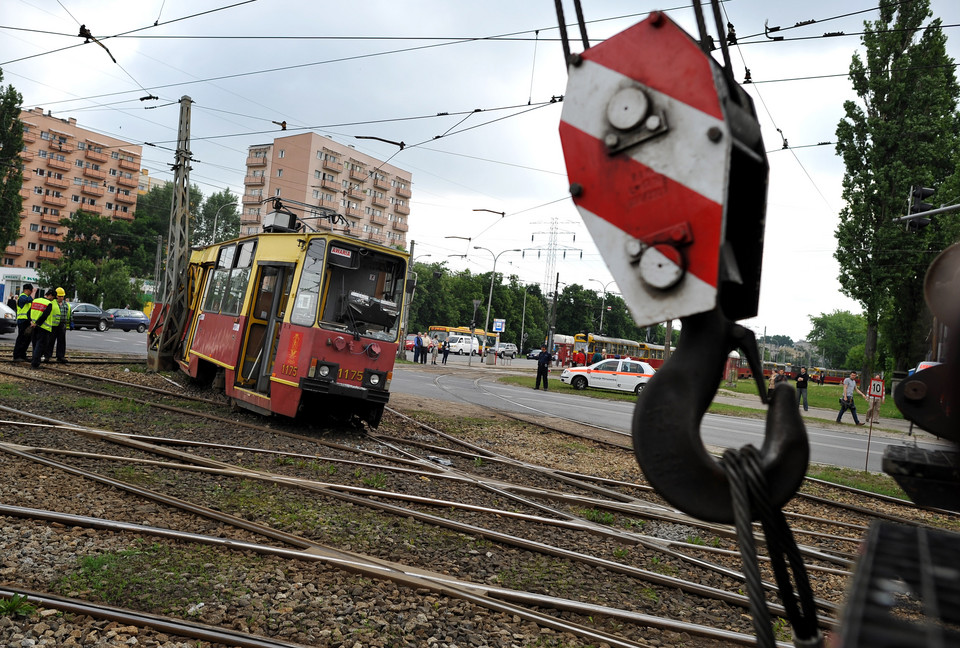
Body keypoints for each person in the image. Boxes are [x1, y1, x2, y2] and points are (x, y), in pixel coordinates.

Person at [28, 288, 60, 369]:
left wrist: (31, 321)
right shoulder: (49, 303)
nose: (53, 300)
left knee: (35, 345)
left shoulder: (35, 300)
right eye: (53, 298)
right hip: (43, 327)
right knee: (40, 346)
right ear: (51, 295)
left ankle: (34, 361)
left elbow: (28, 313)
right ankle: (35, 364)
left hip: (33, 326)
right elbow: (45, 315)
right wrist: (37, 323)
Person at [12, 283, 34, 362]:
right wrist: (34, 293)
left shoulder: (26, 297)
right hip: (22, 320)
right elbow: (29, 300)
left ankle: (22, 354)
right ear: (27, 290)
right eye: (31, 291)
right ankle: (17, 355)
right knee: (21, 338)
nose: (32, 293)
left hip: (27, 320)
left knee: (26, 339)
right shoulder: (22, 296)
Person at [51, 287, 70, 363]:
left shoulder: (66, 305)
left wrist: (70, 323)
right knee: (50, 341)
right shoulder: (52, 303)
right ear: (56, 296)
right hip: (53, 325)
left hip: (62, 325)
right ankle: (47, 355)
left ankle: (60, 356)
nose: (61, 298)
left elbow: (69, 314)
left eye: (62, 296)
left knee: (61, 341)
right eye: (59, 296)